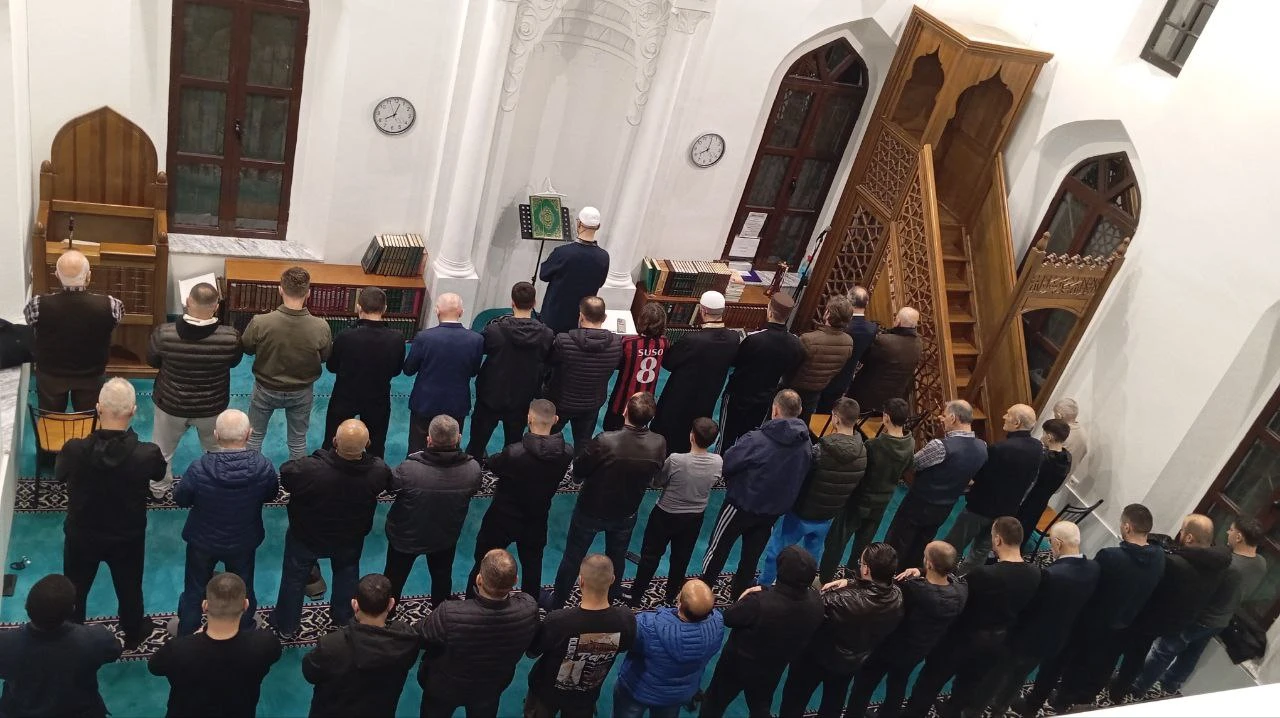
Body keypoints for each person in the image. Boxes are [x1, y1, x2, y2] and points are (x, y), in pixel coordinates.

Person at [1018, 503, 1167, 716]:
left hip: (1090, 622)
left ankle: (1034, 703)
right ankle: (1070, 700)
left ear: (1127, 527)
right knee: (1098, 668)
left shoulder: (1111, 556)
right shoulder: (1159, 557)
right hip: (1124, 625)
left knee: (1059, 662)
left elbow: (1090, 583)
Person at [59, 378, 166, 649]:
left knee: (76, 588)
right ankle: (132, 633)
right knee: (130, 587)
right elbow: (160, 473)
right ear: (133, 410)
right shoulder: (147, 454)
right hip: (126, 536)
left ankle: (72, 637)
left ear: (98, 408)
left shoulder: (74, 449)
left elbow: (60, 474)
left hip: (82, 534)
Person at [901, 518, 1042, 717]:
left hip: (961, 640)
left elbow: (955, 588)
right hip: (997, 642)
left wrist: (925, 572)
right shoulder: (1035, 573)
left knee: (930, 682)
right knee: (966, 687)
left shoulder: (985, 574)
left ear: (999, 540)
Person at [271, 420, 391, 638]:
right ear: (367, 444)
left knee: (294, 578)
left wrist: (320, 456)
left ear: (335, 441)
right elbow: (386, 482)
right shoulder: (377, 471)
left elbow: (286, 473)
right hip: (349, 538)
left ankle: (286, 625)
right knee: (347, 575)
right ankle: (344, 618)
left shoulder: (311, 470)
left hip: (306, 536)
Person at [966, 522, 1100, 718]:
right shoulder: (1093, 568)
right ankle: (1000, 709)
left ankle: (974, 711)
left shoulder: (1050, 575)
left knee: (995, 676)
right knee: (1018, 678)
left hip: (1023, 638)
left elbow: (1029, 607)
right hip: (1054, 640)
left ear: (1057, 543)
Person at [549, 392, 666, 608]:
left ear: (625, 412)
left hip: (591, 509)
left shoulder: (606, 440)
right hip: (626, 511)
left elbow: (581, 468)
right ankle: (610, 599)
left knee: (573, 557)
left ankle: (557, 602)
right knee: (616, 558)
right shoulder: (658, 443)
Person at [1132, 517, 1268, 696]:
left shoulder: (1228, 565)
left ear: (1239, 537)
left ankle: (1139, 686)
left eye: (1231, 530)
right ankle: (1171, 685)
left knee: (1163, 650)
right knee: (1191, 655)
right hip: (1221, 620)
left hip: (1200, 618)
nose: (1228, 532)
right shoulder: (1261, 563)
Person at [172, 409, 279, 636]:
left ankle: (187, 633)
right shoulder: (263, 467)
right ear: (249, 434)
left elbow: (180, 498)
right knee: (244, 588)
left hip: (203, 541)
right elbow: (271, 495)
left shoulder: (199, 467)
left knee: (194, 589)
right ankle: (245, 630)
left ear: (216, 435)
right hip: (243, 540)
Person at [700, 389, 813, 601]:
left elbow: (729, 463)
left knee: (718, 549)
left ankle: (703, 591)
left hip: (740, 505)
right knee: (751, 557)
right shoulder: (806, 444)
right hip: (772, 511)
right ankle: (738, 596)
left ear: (775, 410)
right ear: (799, 411)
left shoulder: (757, 440)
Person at [1107, 514, 1231, 704]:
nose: (1179, 533)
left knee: (1118, 649)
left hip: (1147, 617)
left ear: (1189, 538)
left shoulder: (1175, 564)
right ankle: (1119, 691)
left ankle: (1100, 681)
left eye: (1182, 530)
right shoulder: (1220, 564)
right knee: (1138, 656)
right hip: (1175, 621)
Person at [779, 542, 905, 717]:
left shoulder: (837, 600)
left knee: (795, 699)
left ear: (867, 570)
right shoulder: (896, 597)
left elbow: (809, 616)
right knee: (834, 701)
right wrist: (853, 582)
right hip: (853, 660)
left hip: (816, 658)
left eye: (860, 563)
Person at [845, 542, 968, 718]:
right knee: (898, 685)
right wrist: (922, 571)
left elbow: (883, 594)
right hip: (918, 651)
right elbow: (951, 576)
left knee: (863, 686)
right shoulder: (961, 589)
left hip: (888, 649)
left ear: (929, 563)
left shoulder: (912, 590)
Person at [701, 546, 825, 718]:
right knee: (760, 706)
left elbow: (729, 617)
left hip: (738, 663)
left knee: (715, 701)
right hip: (774, 665)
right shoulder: (816, 602)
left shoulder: (759, 602)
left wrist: (745, 596)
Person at [468, 399, 574, 597]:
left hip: (503, 517)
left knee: (483, 562)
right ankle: (530, 610)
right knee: (532, 568)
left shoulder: (514, 453)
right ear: (556, 419)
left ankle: (471, 601)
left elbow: (493, 464)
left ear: (528, 419)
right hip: (537, 517)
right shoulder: (567, 452)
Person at [147, 281, 243, 499]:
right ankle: (218, 487)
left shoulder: (164, 333)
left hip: (171, 404)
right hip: (212, 407)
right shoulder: (230, 337)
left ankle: (158, 490)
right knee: (215, 450)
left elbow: (152, 361)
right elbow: (234, 362)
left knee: (162, 450)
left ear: (188, 302)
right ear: (216, 306)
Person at [418, 549, 540, 718]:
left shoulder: (449, 613)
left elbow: (421, 636)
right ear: (515, 581)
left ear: (479, 579)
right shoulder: (528, 609)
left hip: (444, 688)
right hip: (491, 687)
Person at [758, 397, 866, 586]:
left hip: (801, 511)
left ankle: (765, 586)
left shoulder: (820, 450)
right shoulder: (863, 452)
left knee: (778, 550)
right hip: (828, 515)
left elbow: (799, 476)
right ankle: (803, 587)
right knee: (812, 555)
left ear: (835, 418)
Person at [149, 573, 282, 718]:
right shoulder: (264, 643)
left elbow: (154, 667)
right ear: (246, 605)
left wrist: (192, 638)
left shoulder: (178, 649)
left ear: (205, 606)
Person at [385, 415, 482, 607]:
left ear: (428, 439)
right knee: (442, 578)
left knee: (393, 581)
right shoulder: (472, 469)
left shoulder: (409, 468)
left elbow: (390, 487)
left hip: (405, 537)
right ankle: (441, 614)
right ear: (459, 438)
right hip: (444, 537)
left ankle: (386, 615)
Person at [527, 555, 638, 718]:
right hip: (586, 694)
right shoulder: (625, 619)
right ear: (613, 579)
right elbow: (624, 647)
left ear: (581, 581)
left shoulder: (559, 620)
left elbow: (532, 652)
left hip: (546, 692)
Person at [241, 266, 333, 460]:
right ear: (308, 293)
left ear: (280, 289)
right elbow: (325, 357)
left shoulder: (261, 322)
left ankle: (250, 477)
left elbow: (247, 348)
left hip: (265, 388)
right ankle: (298, 484)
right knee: (298, 441)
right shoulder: (321, 326)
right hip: (301, 391)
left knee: (254, 437)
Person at [884, 400, 988, 570]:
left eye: (945, 415)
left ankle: (887, 577)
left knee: (897, 542)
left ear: (953, 418)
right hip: (945, 507)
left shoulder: (940, 446)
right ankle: (910, 578)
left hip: (919, 503)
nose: (942, 419)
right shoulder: (982, 447)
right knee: (921, 544)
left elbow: (913, 464)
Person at [820, 397, 915, 582]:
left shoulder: (874, 446)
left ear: (886, 417)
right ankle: (854, 578)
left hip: (859, 501)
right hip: (881, 503)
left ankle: (825, 579)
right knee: (862, 546)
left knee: (836, 542)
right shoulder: (910, 444)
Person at [0, 574, 121, 718]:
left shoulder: (5, 644)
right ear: (72, 610)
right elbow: (115, 651)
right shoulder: (94, 638)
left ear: (26, 606)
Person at [631, 417, 723, 607]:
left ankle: (637, 594)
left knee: (650, 555)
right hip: (694, 517)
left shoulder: (676, 460)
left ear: (691, 436)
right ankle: (671, 596)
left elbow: (657, 482)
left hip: (665, 514)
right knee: (681, 559)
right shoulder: (717, 462)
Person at [302, 574, 422, 718]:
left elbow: (310, 673)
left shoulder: (331, 645)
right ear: (391, 604)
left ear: (355, 604)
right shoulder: (406, 638)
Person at [945, 404, 1042, 574]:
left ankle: (941, 574)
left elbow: (979, 476)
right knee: (981, 551)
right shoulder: (1037, 447)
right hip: (1006, 511)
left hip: (979, 508)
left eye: (1008, 414)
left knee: (953, 545)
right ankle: (965, 579)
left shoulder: (1000, 449)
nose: (1004, 416)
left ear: (1017, 422)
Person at [25, 249, 122, 411]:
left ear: (57, 276)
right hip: (91, 374)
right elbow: (111, 324)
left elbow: (31, 322)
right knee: (87, 423)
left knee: (52, 422)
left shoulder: (38, 304)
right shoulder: (111, 305)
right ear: (89, 276)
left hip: (51, 374)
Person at [614, 580, 724, 718]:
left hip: (639, 690)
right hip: (678, 696)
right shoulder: (718, 625)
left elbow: (625, 643)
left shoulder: (649, 626)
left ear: (679, 602)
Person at [468, 281, 555, 456]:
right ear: (534, 304)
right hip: (522, 397)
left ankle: (473, 474)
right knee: (514, 446)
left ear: (512, 303)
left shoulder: (494, 331)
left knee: (477, 443)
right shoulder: (546, 334)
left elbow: (479, 352)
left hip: (491, 395)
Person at [652, 291, 740, 454]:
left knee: (667, 437)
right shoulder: (734, 338)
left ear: (703, 311)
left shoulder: (693, 340)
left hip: (678, 399)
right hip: (707, 399)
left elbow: (668, 363)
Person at [322, 286, 406, 459]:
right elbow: (397, 371)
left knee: (333, 438)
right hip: (378, 398)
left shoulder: (345, 336)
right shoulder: (396, 338)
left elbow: (331, 367)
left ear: (359, 307)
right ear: (385, 309)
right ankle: (374, 478)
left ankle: (327, 469)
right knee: (376, 443)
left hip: (345, 396)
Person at [719, 293, 805, 451]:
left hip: (738, 396)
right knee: (750, 438)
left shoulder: (754, 339)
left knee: (726, 437)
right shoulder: (795, 343)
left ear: (769, 311)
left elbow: (736, 362)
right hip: (764, 398)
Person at [404, 292, 483, 454]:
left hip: (425, 402)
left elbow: (409, 370)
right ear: (461, 312)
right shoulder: (476, 340)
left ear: (437, 311)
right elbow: (474, 371)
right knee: (450, 449)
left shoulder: (424, 337)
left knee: (417, 449)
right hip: (457, 403)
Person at [546, 296, 623, 452]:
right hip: (592, 404)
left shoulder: (563, 340)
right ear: (605, 317)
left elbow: (550, 363)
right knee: (583, 446)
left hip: (561, 402)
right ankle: (578, 475)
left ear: (580, 316)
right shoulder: (616, 343)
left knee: (548, 442)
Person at [539, 206, 610, 334]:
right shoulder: (604, 257)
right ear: (598, 226)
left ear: (579, 224)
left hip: (555, 315)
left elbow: (543, 275)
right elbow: (600, 283)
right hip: (582, 318)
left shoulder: (563, 252)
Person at [786, 295, 854, 424]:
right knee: (802, 423)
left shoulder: (808, 339)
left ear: (827, 313)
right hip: (817, 390)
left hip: (794, 388)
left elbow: (792, 365)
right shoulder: (849, 342)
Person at [604, 302, 668, 432]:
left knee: (611, 430)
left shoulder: (628, 342)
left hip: (623, 398)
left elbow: (617, 363)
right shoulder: (664, 343)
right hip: (647, 399)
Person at [847, 307, 922, 414]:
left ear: (898, 321)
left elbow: (863, 357)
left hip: (866, 397)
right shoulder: (918, 344)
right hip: (893, 400)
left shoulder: (884, 341)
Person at [817, 286, 878, 413]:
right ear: (867, 303)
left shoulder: (844, 325)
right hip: (845, 378)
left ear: (848, 301)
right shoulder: (872, 329)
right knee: (827, 413)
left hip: (824, 373)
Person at [1015, 418, 1072, 548]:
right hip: (1043, 499)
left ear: (1049, 437)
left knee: (1017, 525)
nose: (1042, 436)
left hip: (1029, 497)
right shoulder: (1067, 456)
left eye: (1044, 433)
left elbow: (1031, 480)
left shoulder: (1045, 459)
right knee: (1028, 526)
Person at [1054, 397, 1088, 478]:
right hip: (1062, 480)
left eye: (1054, 414)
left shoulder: (1059, 433)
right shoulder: (1083, 434)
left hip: (1046, 480)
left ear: (1059, 415)